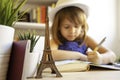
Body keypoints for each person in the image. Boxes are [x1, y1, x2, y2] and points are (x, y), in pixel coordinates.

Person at [48, 0, 116, 64]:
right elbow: (49, 55)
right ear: (58, 27)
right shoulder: (56, 40)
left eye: (76, 26)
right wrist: (79, 56)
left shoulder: (86, 39)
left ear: (82, 27)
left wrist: (101, 59)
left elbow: (112, 56)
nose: (72, 31)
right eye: (66, 27)